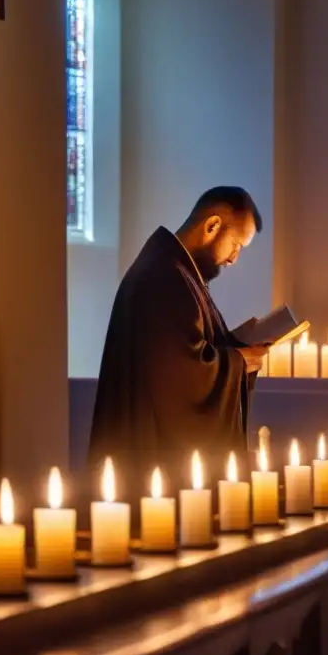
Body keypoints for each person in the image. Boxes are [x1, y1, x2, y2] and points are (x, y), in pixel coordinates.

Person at [88, 187, 268, 498]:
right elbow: (180, 377)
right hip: (150, 466)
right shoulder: (164, 277)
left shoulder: (177, 270)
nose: (234, 258)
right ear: (212, 226)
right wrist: (239, 362)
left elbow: (191, 350)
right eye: (236, 244)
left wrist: (235, 347)